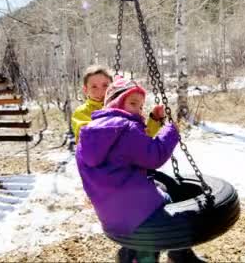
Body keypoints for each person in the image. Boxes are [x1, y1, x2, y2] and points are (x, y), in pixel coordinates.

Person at [76, 77, 206, 263]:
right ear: (116, 104)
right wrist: (171, 131)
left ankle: (131, 252)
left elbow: (129, 152)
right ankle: (172, 256)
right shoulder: (127, 128)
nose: (138, 109)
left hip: (110, 217)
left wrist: (153, 120)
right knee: (175, 212)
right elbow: (154, 156)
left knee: (157, 189)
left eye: (140, 105)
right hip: (139, 215)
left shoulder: (87, 136)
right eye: (133, 103)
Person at [71, 65, 163, 144]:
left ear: (112, 87)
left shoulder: (123, 106)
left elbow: (143, 136)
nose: (100, 91)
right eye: (94, 87)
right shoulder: (81, 112)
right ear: (85, 90)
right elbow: (87, 136)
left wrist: (155, 119)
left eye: (105, 85)